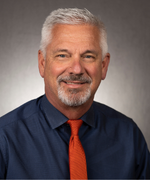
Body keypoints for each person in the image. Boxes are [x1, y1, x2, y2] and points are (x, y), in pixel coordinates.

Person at [0, 8, 150, 179]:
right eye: (63, 55)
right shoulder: (4, 137)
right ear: (42, 63)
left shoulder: (129, 135)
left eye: (88, 56)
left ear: (103, 66)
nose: (76, 69)